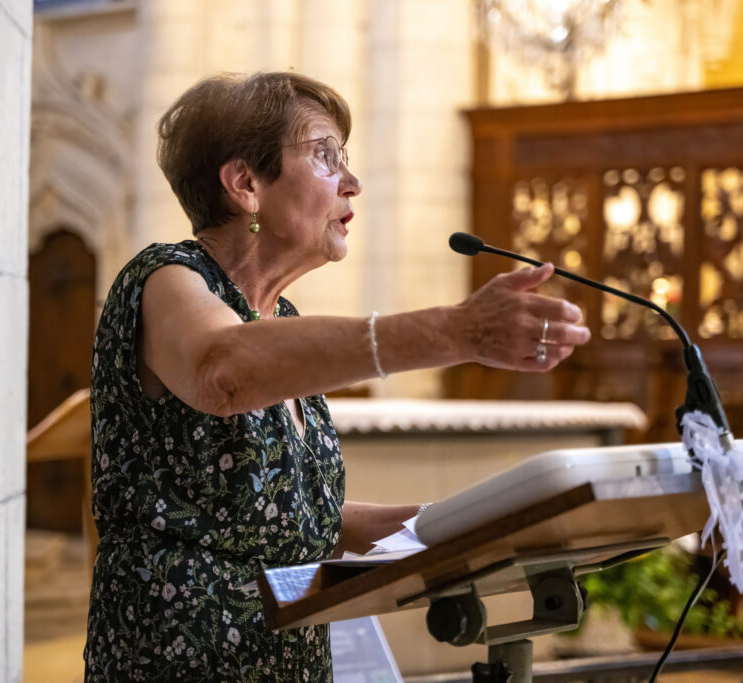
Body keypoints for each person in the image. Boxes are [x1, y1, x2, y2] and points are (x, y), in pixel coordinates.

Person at [83, 71, 591, 682]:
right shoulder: (165, 278)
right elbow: (221, 369)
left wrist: (484, 522)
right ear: (246, 183)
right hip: (179, 662)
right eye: (326, 157)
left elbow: (304, 516)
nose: (352, 183)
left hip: (287, 661)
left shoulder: (282, 320)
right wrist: (458, 332)